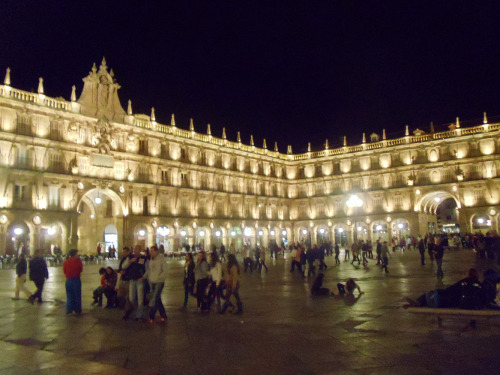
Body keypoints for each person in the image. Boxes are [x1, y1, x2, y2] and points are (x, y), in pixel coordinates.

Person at [403, 269, 484, 310]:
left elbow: (451, 289)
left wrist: (439, 291)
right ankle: (417, 303)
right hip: (457, 302)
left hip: (451, 301)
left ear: (469, 275)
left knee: (431, 294)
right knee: (433, 296)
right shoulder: (479, 284)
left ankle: (418, 303)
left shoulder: (464, 281)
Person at [122, 245, 148, 320]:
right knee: (131, 298)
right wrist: (130, 261)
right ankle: (136, 309)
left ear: (140, 250)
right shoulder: (130, 257)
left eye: (137, 249)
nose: (135, 250)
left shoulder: (143, 258)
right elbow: (124, 266)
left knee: (140, 298)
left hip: (140, 280)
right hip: (132, 280)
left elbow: (147, 269)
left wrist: (143, 277)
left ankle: (139, 315)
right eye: (134, 249)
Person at [145, 245, 168, 323]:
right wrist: (149, 278)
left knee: (154, 298)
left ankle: (151, 316)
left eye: (152, 251)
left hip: (159, 281)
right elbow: (149, 270)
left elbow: (165, 270)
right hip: (152, 281)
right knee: (158, 298)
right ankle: (163, 315)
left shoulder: (161, 260)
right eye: (150, 251)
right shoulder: (151, 260)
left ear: (156, 251)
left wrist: (159, 277)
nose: (150, 253)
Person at [63, 249, 83, 315]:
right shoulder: (78, 261)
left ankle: (69, 310)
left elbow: (64, 271)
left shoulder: (66, 261)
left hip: (68, 280)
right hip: (76, 280)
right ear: (75, 254)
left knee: (69, 296)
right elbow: (81, 269)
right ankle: (77, 310)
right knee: (77, 296)